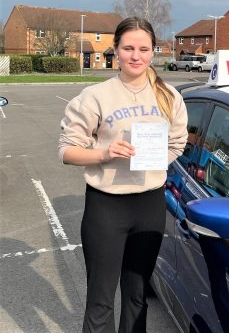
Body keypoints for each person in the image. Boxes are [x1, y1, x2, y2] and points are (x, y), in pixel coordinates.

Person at [58, 17, 188, 333]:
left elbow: (178, 142)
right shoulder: (95, 96)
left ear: (153, 51)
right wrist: (104, 154)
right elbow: (66, 151)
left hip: (149, 206)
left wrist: (156, 160)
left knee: (137, 297)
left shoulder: (169, 96)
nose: (136, 55)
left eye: (143, 49)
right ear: (116, 50)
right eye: (128, 48)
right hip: (106, 207)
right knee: (101, 300)